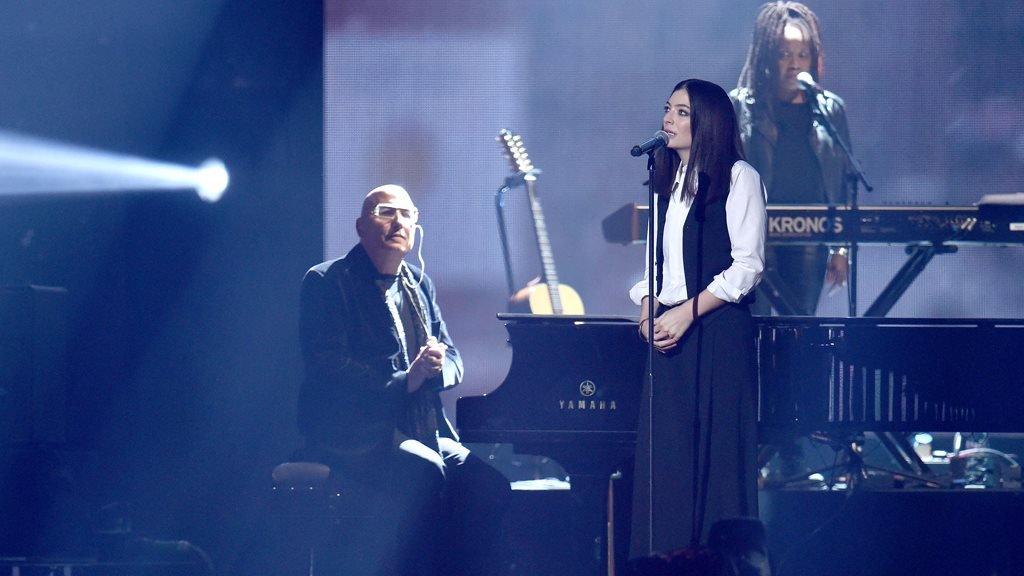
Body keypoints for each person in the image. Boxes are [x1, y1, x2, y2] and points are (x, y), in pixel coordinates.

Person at [297, 184, 509, 576]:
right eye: (385, 212)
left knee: (489, 486)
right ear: (362, 226)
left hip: (423, 429)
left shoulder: (417, 283)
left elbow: (454, 359)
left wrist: (437, 365)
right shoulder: (327, 281)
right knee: (427, 475)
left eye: (407, 214)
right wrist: (404, 382)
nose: (398, 222)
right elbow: (328, 366)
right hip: (356, 433)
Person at [629, 79, 766, 555]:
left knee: (718, 464)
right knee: (667, 464)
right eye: (667, 108)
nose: (668, 119)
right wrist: (649, 314)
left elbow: (747, 266)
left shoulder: (737, 177)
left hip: (717, 333)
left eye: (682, 112)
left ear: (707, 120)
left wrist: (688, 312)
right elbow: (656, 265)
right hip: (670, 335)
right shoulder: (667, 182)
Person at [731, 1, 852, 316]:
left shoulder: (831, 110)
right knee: (753, 330)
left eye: (802, 54)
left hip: (810, 240)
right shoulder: (740, 107)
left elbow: (842, 183)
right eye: (784, 54)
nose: (794, 63)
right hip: (753, 239)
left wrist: (841, 247)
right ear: (767, 56)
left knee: (799, 334)